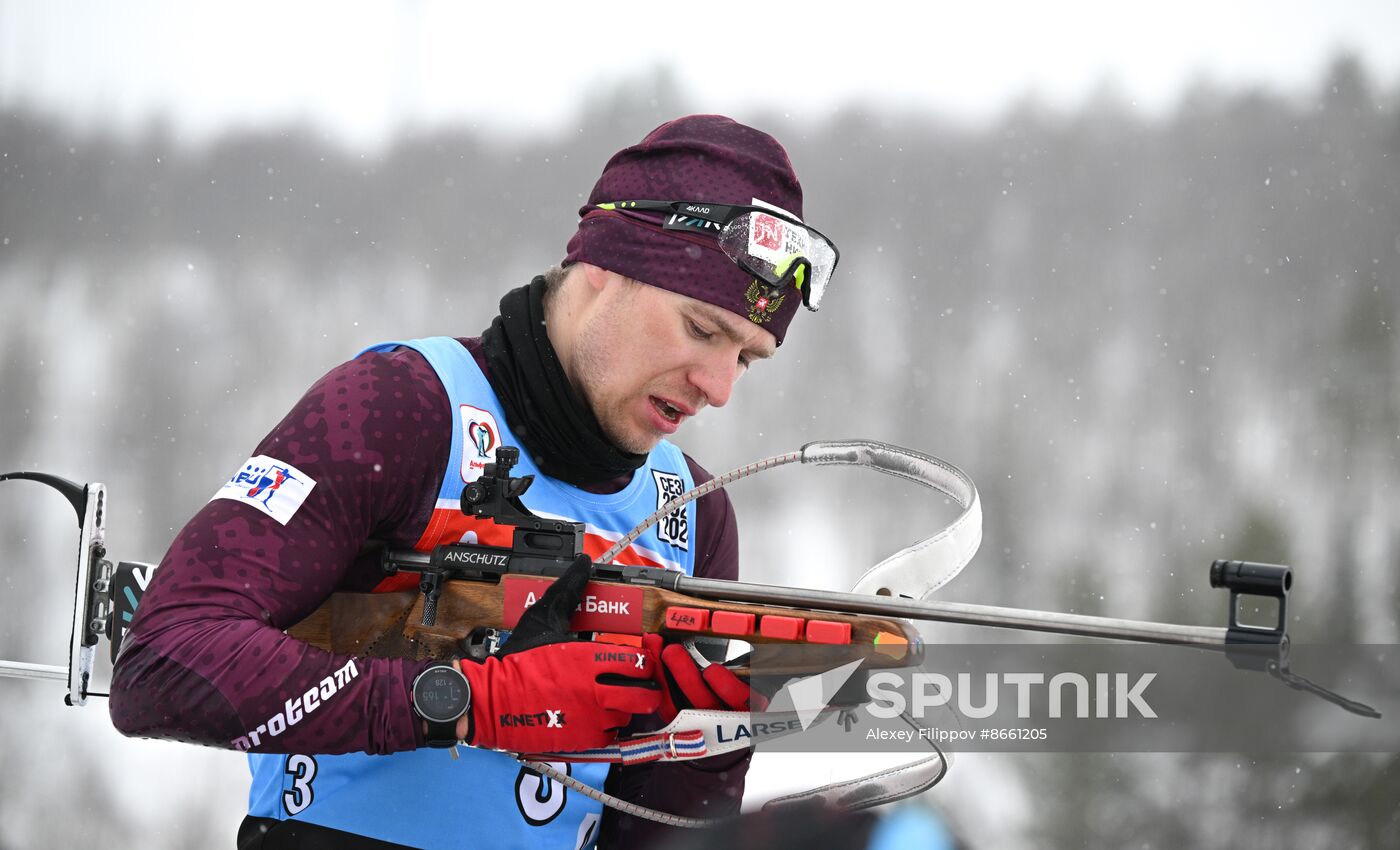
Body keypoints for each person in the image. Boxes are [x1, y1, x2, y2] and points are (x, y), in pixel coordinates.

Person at [109, 114, 839, 849]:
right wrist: (467, 700)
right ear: (605, 267)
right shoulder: (404, 407)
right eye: (702, 330)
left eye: (747, 359)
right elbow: (164, 662)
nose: (718, 386)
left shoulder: (694, 515)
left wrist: (717, 743)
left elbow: (660, 831)